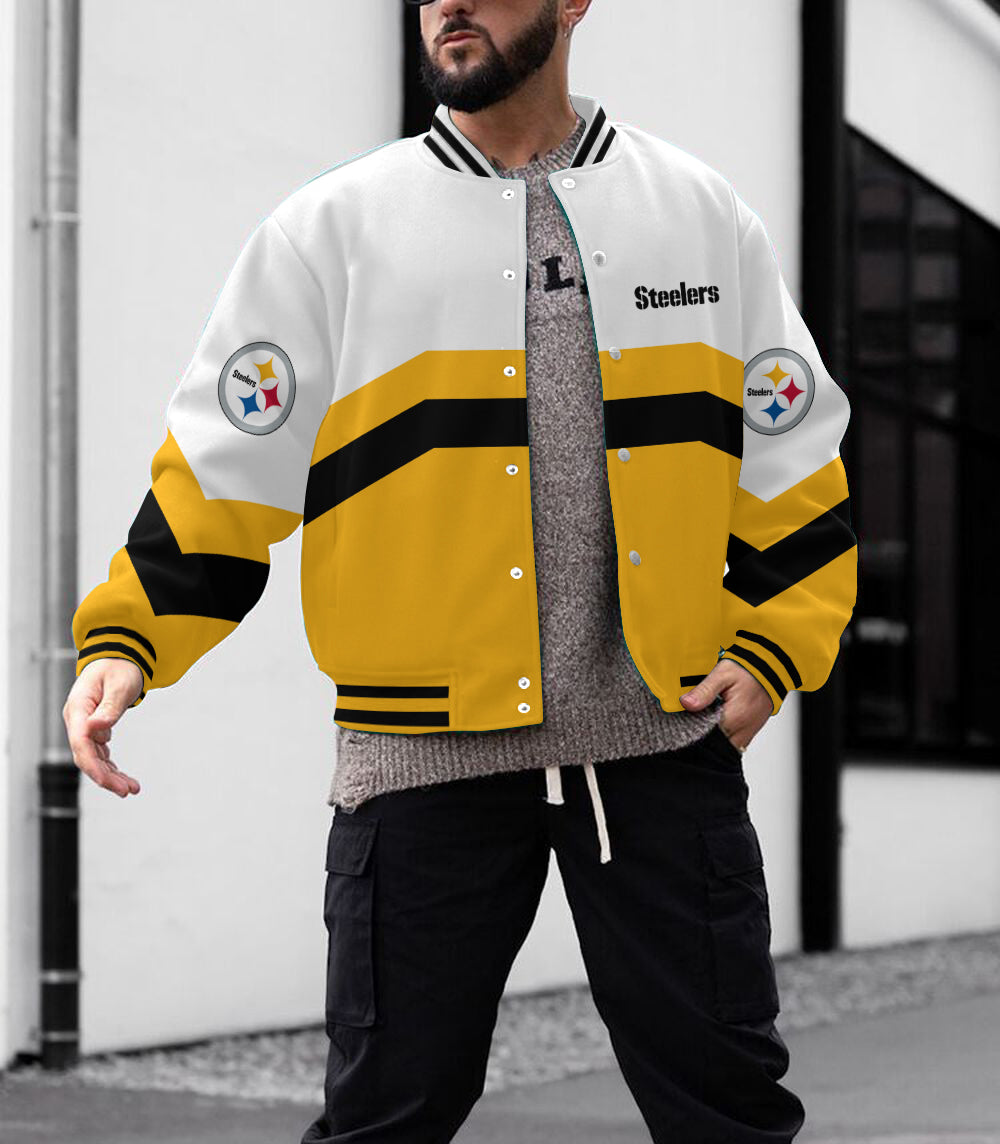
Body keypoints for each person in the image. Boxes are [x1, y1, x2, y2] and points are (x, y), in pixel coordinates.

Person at [63, 0, 858, 1140]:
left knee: (729, 1116)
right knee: (385, 1120)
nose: (449, 3)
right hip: (419, 756)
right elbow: (224, 462)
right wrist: (129, 638)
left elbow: (793, 450)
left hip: (657, 746)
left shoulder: (697, 214)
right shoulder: (329, 229)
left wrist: (775, 643)